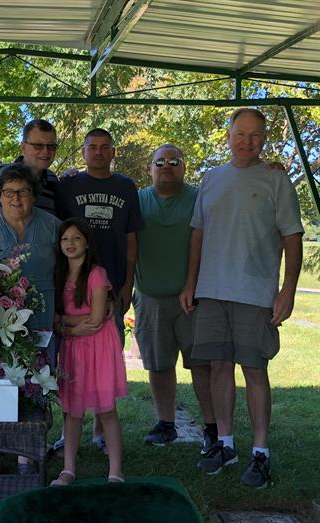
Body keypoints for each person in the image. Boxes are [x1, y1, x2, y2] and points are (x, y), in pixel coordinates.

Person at [179, 108, 303, 488]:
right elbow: (197, 235)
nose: (247, 141)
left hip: (254, 291)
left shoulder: (276, 180)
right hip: (212, 290)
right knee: (218, 367)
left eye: (255, 135)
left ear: (264, 138)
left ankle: (260, 453)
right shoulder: (210, 179)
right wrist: (190, 283)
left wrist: (287, 289)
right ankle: (226, 444)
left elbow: (292, 238)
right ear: (228, 134)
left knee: (254, 370)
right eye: (240, 133)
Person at [0, 163, 61, 476]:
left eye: (23, 192)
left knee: (35, 378)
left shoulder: (52, 225)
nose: (16, 198)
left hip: (43, 308)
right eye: (9, 192)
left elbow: (69, 266)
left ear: (33, 195)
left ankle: (26, 454)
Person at [55, 128, 142, 452]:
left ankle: (98, 431)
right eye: (93, 147)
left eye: (105, 147)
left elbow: (132, 238)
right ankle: (69, 432)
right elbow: (59, 230)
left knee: (105, 357)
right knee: (71, 366)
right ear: (83, 151)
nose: (99, 152)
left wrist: (127, 283)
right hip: (72, 287)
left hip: (111, 284)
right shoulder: (69, 185)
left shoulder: (126, 187)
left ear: (113, 151)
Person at [135, 144, 216, 449]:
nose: (167, 166)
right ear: (150, 168)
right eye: (160, 162)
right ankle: (165, 423)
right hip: (149, 298)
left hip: (193, 299)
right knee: (158, 365)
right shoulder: (137, 200)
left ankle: (211, 427)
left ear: (184, 166)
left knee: (201, 365)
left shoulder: (200, 198)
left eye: (174, 161)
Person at [51, 218, 127, 485]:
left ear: (86, 242)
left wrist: (65, 325)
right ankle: (68, 470)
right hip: (73, 349)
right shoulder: (58, 274)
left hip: (99, 347)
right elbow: (54, 318)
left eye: (76, 238)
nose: (70, 244)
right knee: (72, 410)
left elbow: (95, 321)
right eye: (65, 239)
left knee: (106, 409)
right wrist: (68, 326)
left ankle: (115, 471)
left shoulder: (96, 274)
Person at [0, 118, 59, 218]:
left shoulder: (53, 180)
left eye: (51, 146)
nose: (46, 151)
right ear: (23, 147)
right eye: (38, 145)